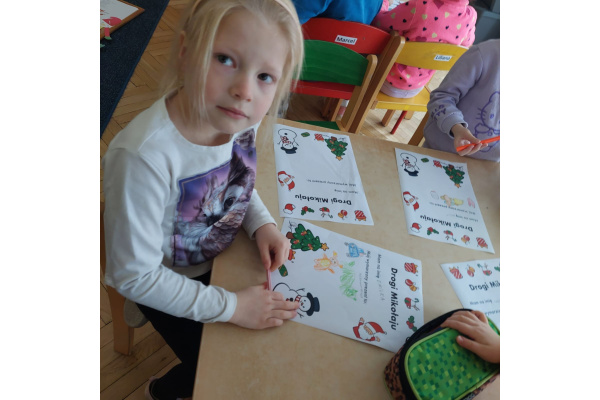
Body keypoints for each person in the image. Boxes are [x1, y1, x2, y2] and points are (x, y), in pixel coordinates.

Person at [101, 1, 304, 399]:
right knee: (229, 371)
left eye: (265, 76)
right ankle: (163, 390)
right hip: (166, 280)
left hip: (223, 257)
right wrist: (233, 308)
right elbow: (134, 276)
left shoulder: (237, 116)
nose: (245, 90)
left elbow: (236, 180)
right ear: (185, 51)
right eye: (225, 59)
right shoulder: (143, 157)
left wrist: (261, 222)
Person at [371, 0, 477, 98]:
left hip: (383, 80)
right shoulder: (470, 16)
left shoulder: (421, 5)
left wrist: (384, 3)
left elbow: (379, 22)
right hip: (417, 87)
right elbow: (467, 44)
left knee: (368, 41)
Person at [423, 38, 499, 161]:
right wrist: (457, 127)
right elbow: (441, 97)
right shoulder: (483, 55)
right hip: (441, 152)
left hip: (489, 164)